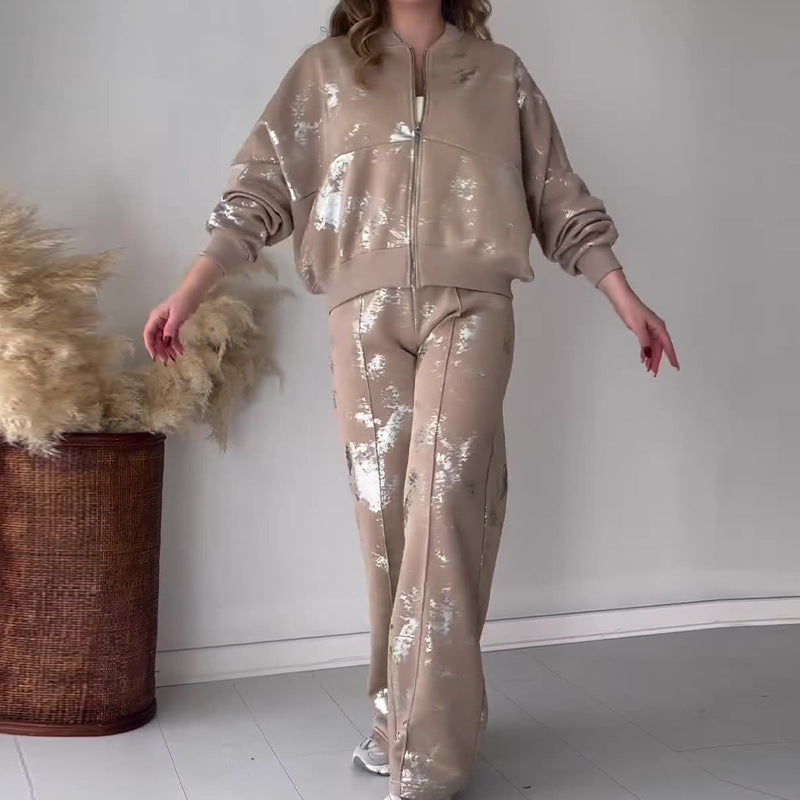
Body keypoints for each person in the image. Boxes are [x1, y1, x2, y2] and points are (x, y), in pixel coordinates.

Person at [143, 2, 679, 798]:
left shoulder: (499, 74)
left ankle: (430, 759)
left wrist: (624, 296)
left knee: (449, 504)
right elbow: (261, 188)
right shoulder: (326, 71)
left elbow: (557, 195)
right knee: (389, 523)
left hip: (473, 307)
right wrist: (189, 291)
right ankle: (398, 717)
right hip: (362, 315)